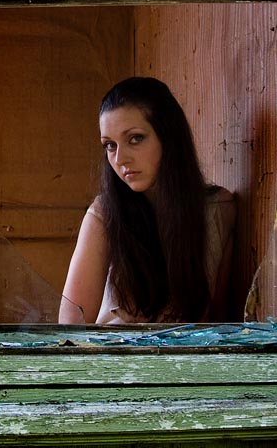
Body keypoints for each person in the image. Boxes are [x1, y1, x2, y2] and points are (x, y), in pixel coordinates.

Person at [59, 76, 236, 325]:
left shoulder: (219, 209)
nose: (120, 159)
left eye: (135, 138)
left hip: (190, 350)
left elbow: (221, 322)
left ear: (168, 136)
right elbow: (71, 326)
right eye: (110, 145)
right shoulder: (104, 214)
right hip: (110, 350)